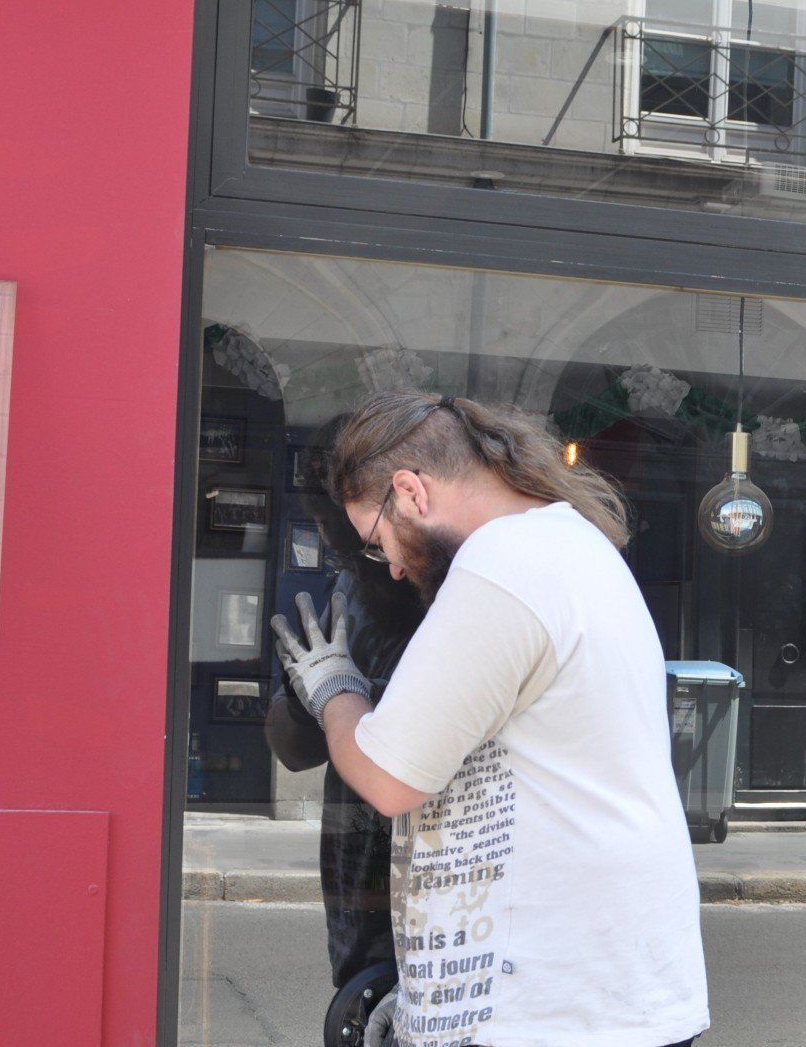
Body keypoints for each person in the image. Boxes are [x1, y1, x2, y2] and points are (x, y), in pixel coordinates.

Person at [270, 391, 708, 1047]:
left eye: (376, 539)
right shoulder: (568, 543)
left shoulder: (505, 564)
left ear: (411, 491)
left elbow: (390, 776)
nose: (388, 564)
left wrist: (334, 689)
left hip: (553, 1010)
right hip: (593, 997)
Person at [264, 414, 425, 994]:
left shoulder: (460, 593)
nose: (335, 542)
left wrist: (340, 698)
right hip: (359, 897)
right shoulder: (351, 590)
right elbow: (291, 748)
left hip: (438, 902)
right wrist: (312, 699)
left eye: (361, 539)